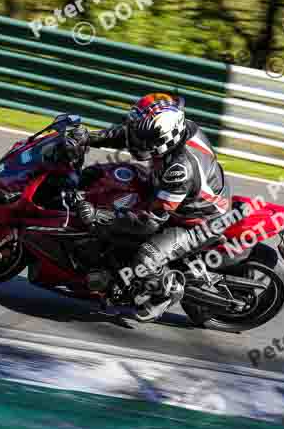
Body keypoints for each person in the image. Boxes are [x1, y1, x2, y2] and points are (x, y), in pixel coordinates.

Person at [69, 93, 231, 322]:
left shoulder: (179, 170)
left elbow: (149, 222)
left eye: (143, 138)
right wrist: (89, 138)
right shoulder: (179, 129)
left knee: (147, 257)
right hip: (174, 192)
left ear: (161, 140)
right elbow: (128, 133)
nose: (134, 140)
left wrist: (100, 216)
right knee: (107, 176)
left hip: (198, 221)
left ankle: (166, 291)